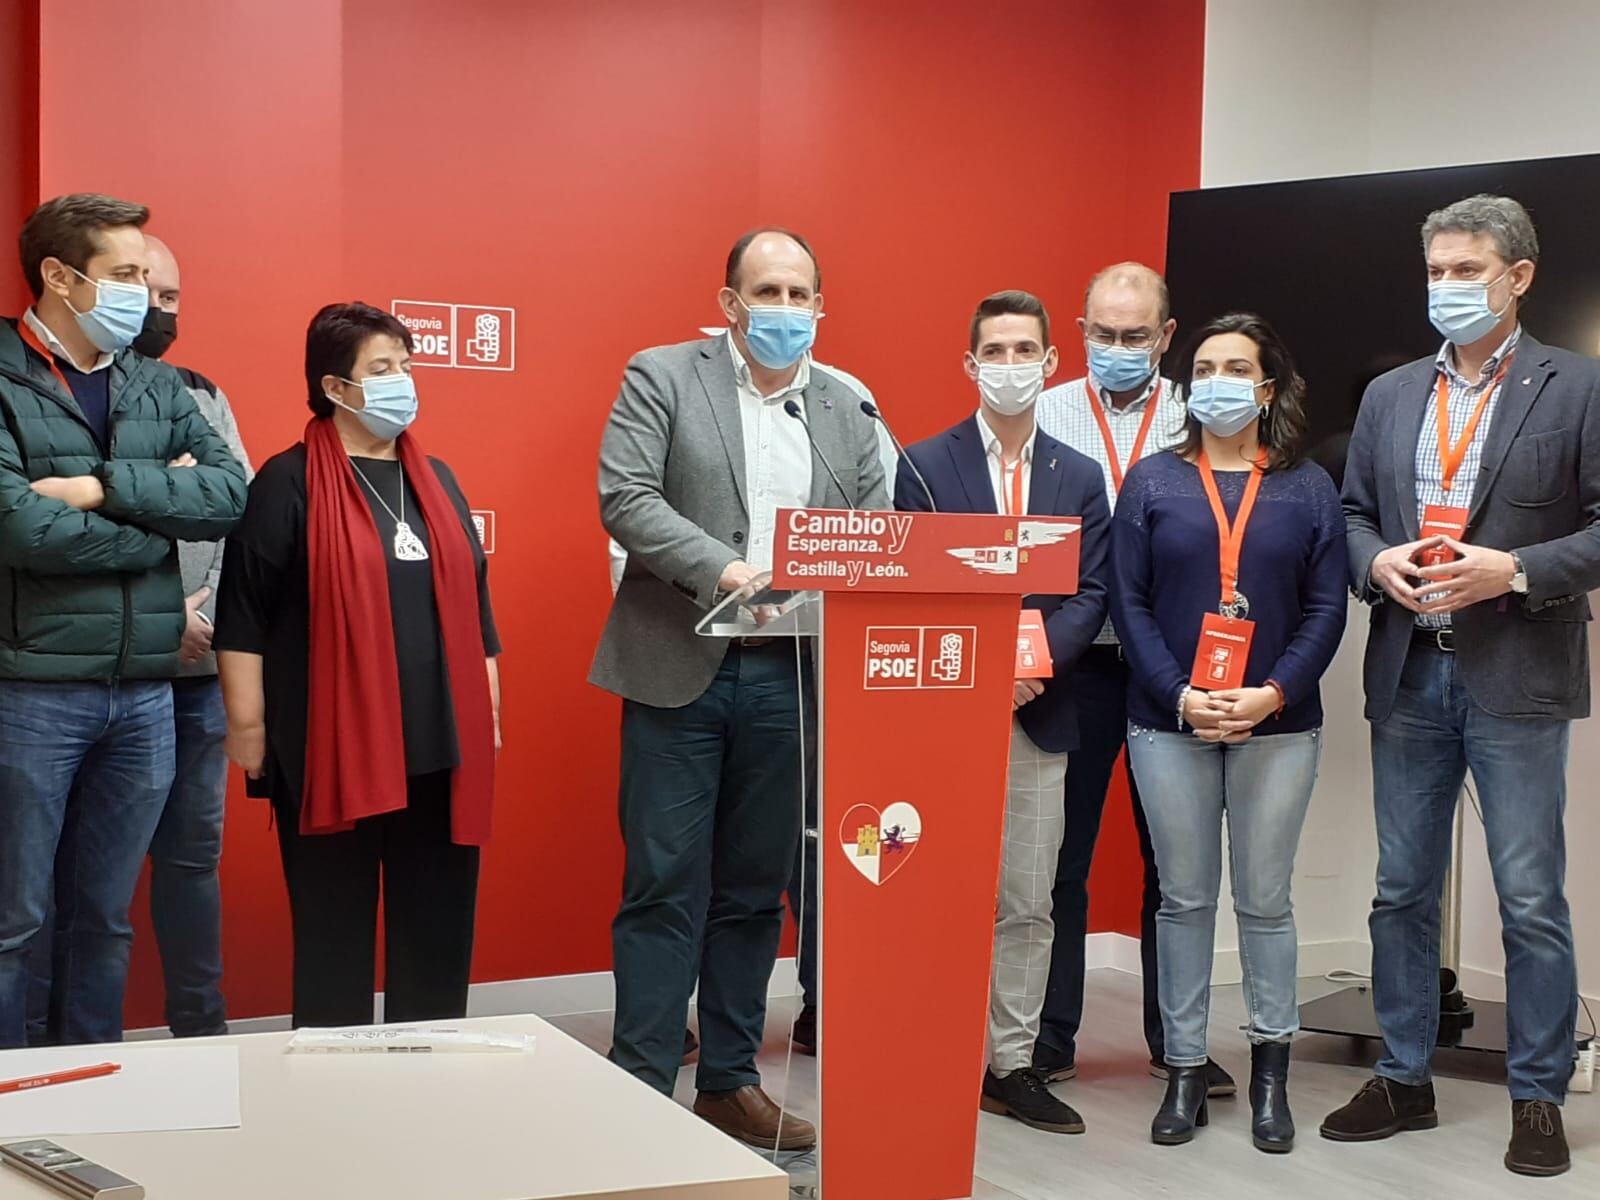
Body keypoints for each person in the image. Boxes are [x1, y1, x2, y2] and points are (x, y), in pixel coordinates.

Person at [1325, 194, 1599, 1179]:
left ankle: (1535, 1095)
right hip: (1408, 674)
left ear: (1518, 275)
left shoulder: (1577, 388)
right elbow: (1352, 514)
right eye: (1435, 272)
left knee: (1528, 896)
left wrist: (1512, 570)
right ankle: (1402, 1074)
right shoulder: (1392, 393)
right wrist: (1377, 562)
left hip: (1516, 675)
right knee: (1400, 889)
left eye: (1465, 271)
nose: (1445, 289)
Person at [593, 228, 886, 1149]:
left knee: (756, 891)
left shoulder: (845, 407)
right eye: (769, 293)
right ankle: (639, 1086)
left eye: (802, 296)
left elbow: (876, 520)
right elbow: (627, 496)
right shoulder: (662, 375)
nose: (786, 313)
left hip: (792, 673)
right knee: (663, 885)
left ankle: (727, 1082)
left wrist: (834, 572)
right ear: (729, 304)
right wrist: (725, 569)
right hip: (680, 662)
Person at [0, 193, 248, 1049]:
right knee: (16, 920)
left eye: (148, 276)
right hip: (31, 688)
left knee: (104, 921)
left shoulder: (156, 383)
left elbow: (227, 498)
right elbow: (19, 528)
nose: (143, 295)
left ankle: (94, 1089)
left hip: (143, 692)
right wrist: (153, 528)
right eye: (126, 275)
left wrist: (102, 489)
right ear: (60, 278)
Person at [214, 302, 501, 1029]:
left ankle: (431, 1065)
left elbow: (477, 607)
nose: (403, 381)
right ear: (336, 388)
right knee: (333, 934)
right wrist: (247, 729)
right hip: (328, 748)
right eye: (382, 370)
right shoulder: (287, 483)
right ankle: (334, 1090)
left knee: (437, 931)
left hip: (441, 748)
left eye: (407, 366)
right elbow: (243, 616)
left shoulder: (437, 480)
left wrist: (486, 713)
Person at [1112, 313, 1346, 1152]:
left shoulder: (1309, 487)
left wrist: (1272, 692)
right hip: (1167, 724)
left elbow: (1326, 608)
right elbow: (1126, 602)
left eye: (1236, 367)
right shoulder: (1149, 483)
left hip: (1277, 728)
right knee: (1182, 903)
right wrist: (1178, 694)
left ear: (1267, 388)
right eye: (1203, 366)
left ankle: (1271, 1076)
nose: (1218, 380)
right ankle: (1182, 1072)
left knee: (1266, 903)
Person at [896, 290, 1109, 1135]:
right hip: (944, 716)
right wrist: (983, 669)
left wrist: (1028, 666)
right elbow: (910, 584)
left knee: (1028, 898)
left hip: (1039, 711)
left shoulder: (1080, 476)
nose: (1012, 365)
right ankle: (928, 1047)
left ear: (1051, 363)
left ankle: (1011, 1065)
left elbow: (1091, 593)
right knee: (937, 892)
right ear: (970, 364)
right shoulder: (920, 465)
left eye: (1027, 350)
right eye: (997, 350)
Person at [1033, 262, 1238, 1097]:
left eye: (1134, 336)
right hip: (1073, 668)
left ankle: (1176, 1040)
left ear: (1165, 336)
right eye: (1101, 335)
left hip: (1170, 671)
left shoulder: (1203, 418)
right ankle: (1046, 1042)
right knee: (1060, 861)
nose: (1116, 350)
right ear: (1080, 333)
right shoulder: (1042, 413)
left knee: (1175, 868)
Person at [139, 233, 253, 1038]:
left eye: (171, 297)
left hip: (197, 674)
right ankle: (58, 1051)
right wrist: (156, 615)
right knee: (78, 878)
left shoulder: (201, 394)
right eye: (140, 288)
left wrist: (204, 611)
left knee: (192, 861)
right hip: (95, 674)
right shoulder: (44, 392)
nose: (155, 310)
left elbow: (235, 508)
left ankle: (200, 1033)